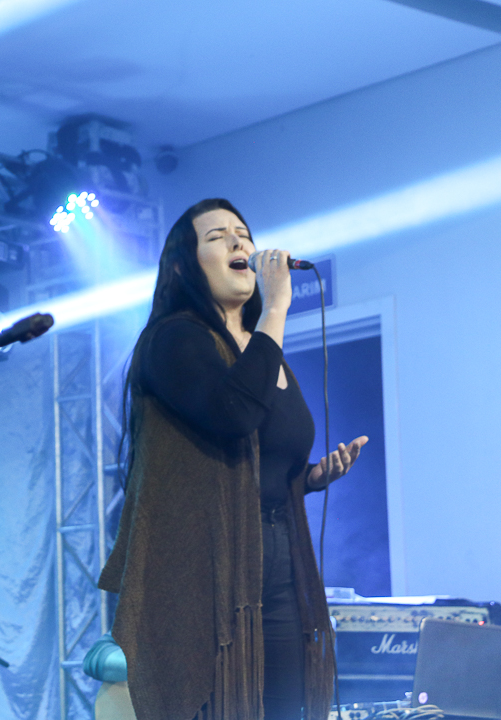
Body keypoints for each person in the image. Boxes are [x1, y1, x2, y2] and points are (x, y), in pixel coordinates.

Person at [98, 199, 367, 720]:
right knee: (220, 703)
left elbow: (266, 451)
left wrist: (310, 477)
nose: (239, 242)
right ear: (184, 266)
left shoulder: (263, 348)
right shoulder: (174, 337)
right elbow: (232, 415)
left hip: (278, 554)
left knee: (285, 707)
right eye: (217, 236)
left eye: (242, 232)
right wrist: (276, 307)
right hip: (209, 561)